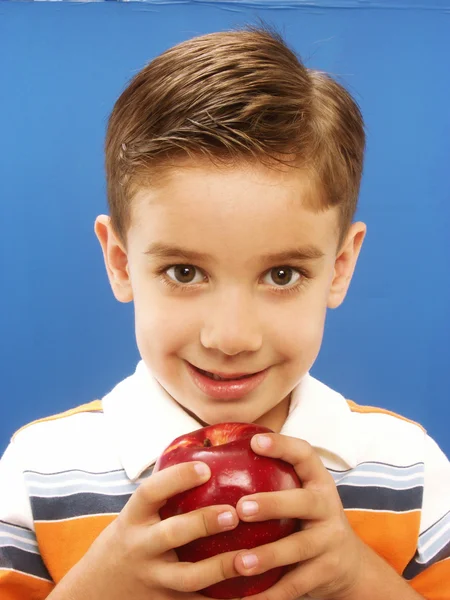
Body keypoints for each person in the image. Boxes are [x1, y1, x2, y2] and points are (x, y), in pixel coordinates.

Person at [0, 25, 449, 600]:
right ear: (120, 263)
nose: (231, 337)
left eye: (282, 275)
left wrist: (358, 577)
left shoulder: (406, 468)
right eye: (185, 273)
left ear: (339, 268)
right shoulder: (39, 472)